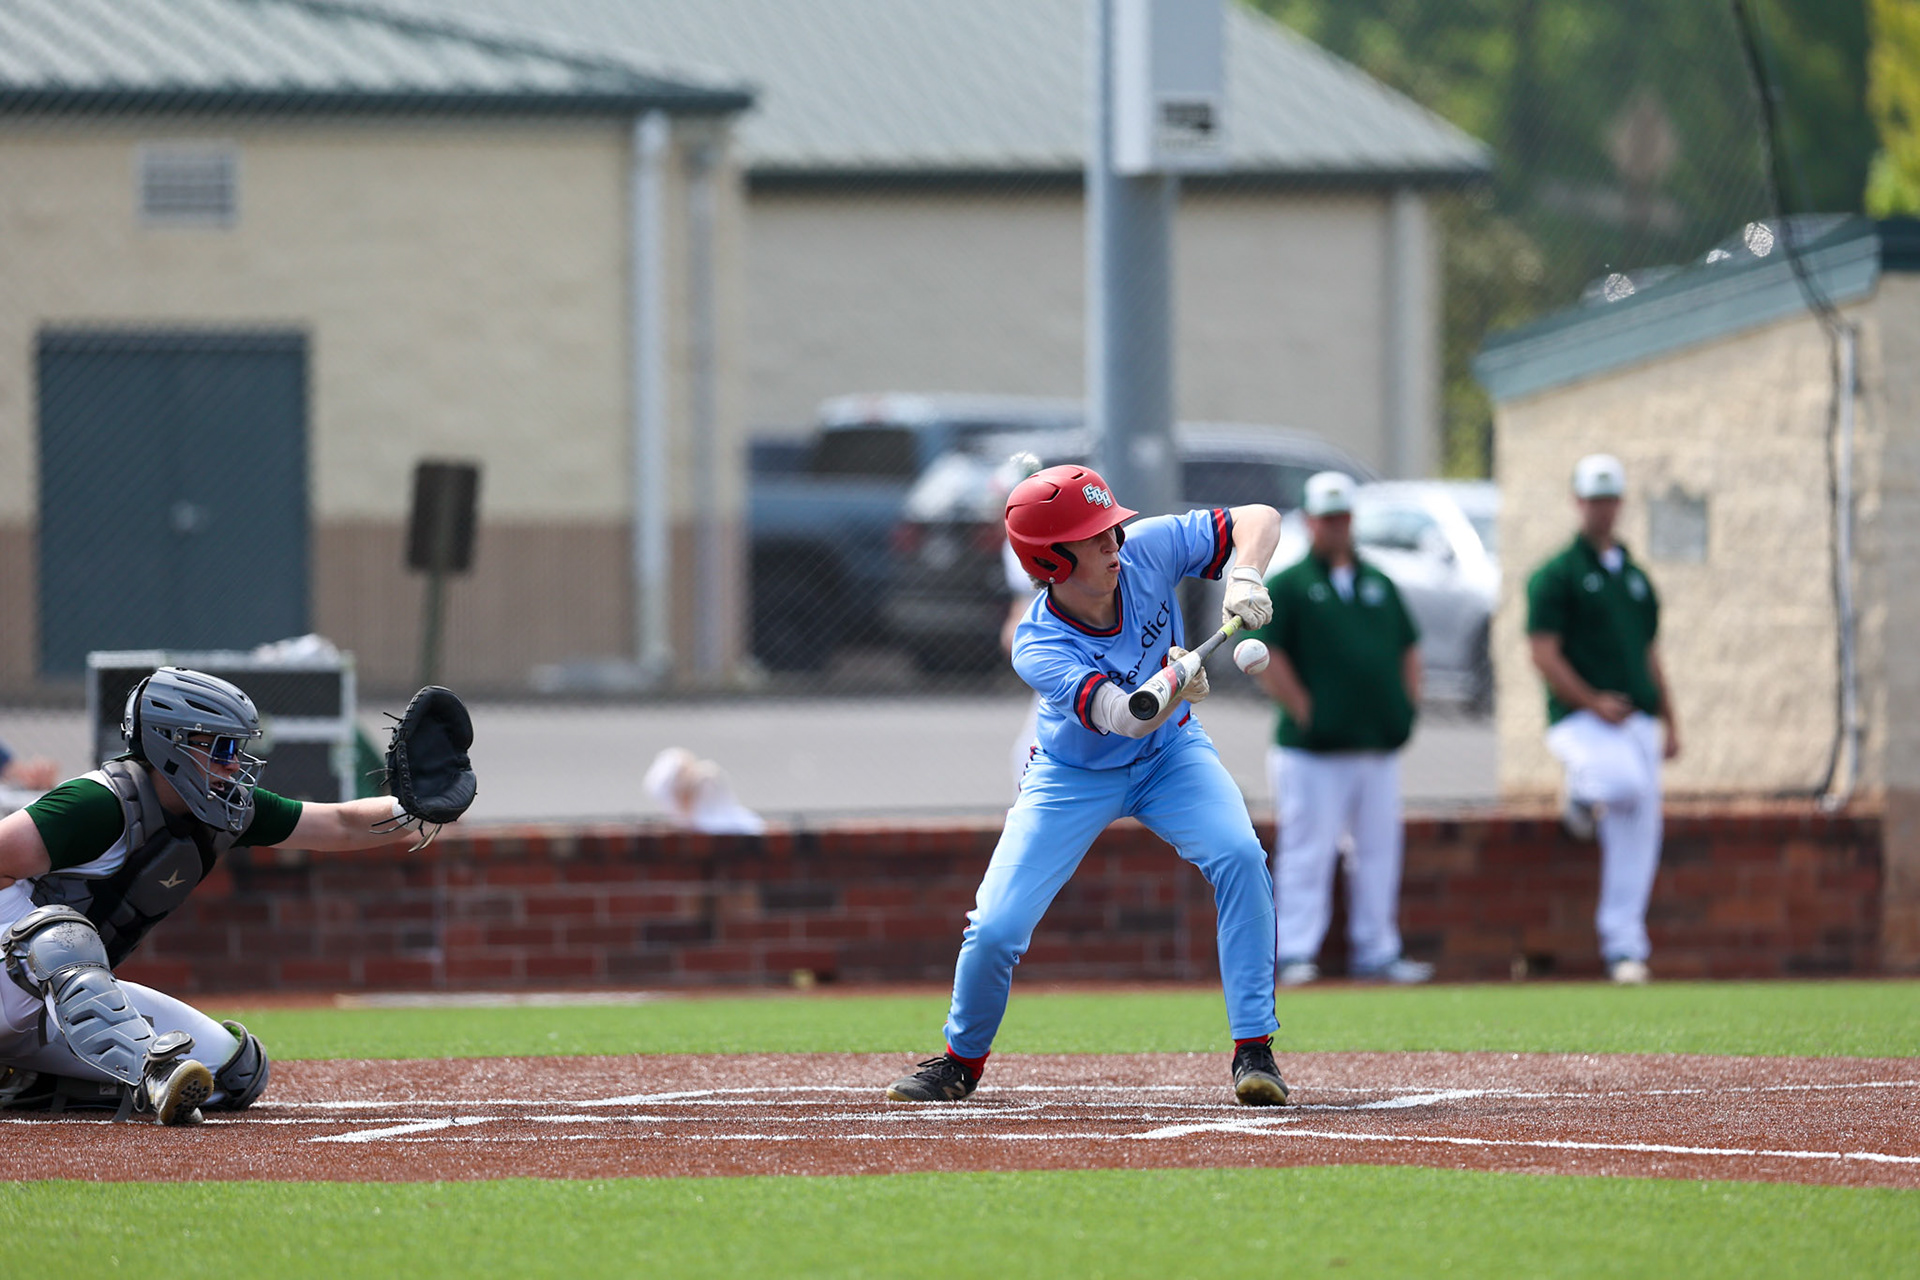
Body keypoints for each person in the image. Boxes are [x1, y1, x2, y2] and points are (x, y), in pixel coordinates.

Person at [886, 465, 1290, 1107]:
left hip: (1172, 755)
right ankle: (961, 1061)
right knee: (993, 928)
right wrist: (1169, 682)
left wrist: (1244, 572)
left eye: (1109, 527)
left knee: (1241, 856)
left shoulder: (1146, 549)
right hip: (1073, 775)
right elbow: (1122, 718)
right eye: (1092, 535)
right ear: (1050, 560)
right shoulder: (1036, 642)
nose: (1114, 542)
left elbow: (1261, 516)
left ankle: (1253, 1048)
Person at [0, 667, 473, 1123]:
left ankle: (19, 1082)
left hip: (45, 1009)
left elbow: (339, 823)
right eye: (222, 747)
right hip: (14, 983)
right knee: (58, 934)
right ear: (173, 745)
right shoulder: (98, 803)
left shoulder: (223, 809)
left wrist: (412, 809)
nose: (235, 763)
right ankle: (152, 1070)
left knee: (234, 1072)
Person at [1248, 472, 1432, 987]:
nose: (1337, 527)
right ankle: (1297, 952)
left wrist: (1405, 707)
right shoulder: (1289, 584)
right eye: (1327, 518)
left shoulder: (1379, 582)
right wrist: (1305, 708)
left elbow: (1408, 647)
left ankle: (1377, 950)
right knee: (1308, 848)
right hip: (1311, 750)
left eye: (1344, 517)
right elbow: (1268, 654)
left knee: (1379, 850)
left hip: (1375, 744)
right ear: (1310, 521)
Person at [1525, 454, 1677, 985]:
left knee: (1641, 834)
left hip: (1638, 719)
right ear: (1577, 502)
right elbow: (1543, 653)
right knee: (1622, 784)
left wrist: (1672, 720)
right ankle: (1582, 791)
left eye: (1610, 498)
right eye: (1593, 499)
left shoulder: (1634, 577)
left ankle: (1624, 947)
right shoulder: (1557, 574)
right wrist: (1592, 701)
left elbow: (1650, 654)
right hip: (1580, 719)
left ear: (1620, 503)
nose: (1602, 509)